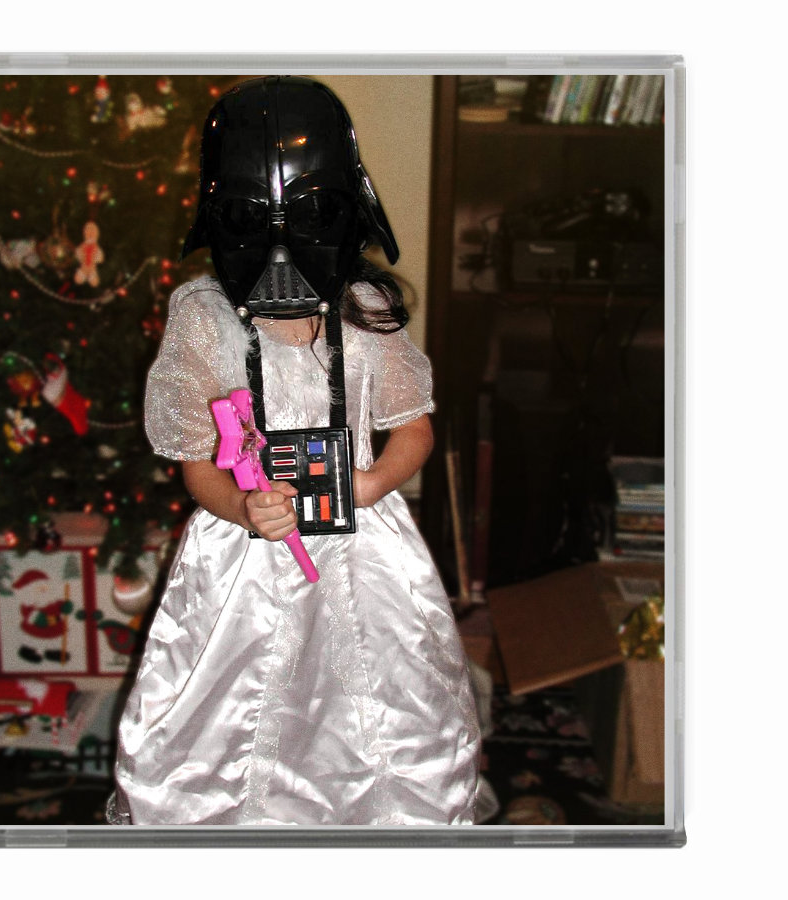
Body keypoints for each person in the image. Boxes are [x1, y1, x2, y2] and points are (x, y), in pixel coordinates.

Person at [110, 77, 480, 826]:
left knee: (374, 706)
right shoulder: (203, 320)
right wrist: (242, 506)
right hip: (243, 554)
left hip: (365, 550)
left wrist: (370, 484)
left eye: (309, 216)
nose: (281, 248)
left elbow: (414, 431)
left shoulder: (369, 311)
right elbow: (196, 461)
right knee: (232, 714)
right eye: (251, 219)